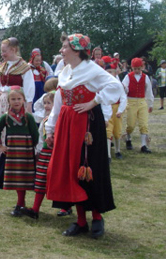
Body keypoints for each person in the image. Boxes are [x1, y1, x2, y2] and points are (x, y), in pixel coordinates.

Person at [45, 34, 123, 239]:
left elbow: (116, 86)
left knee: (89, 168)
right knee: (71, 169)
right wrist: (50, 128)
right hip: (66, 124)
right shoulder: (64, 71)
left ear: (77, 50)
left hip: (87, 125)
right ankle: (80, 220)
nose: (61, 51)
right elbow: (59, 102)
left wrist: (93, 102)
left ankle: (97, 217)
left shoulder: (92, 69)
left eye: (64, 47)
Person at [0, 87, 39, 217]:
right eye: (13, 99)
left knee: (24, 178)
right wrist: (0, 146)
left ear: (24, 100)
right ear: (8, 101)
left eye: (19, 99)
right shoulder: (6, 117)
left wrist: (34, 149)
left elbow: (35, 134)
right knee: (17, 178)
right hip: (12, 153)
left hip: (26, 153)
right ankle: (20, 203)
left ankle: (22, 203)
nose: (16, 101)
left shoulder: (29, 117)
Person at [0, 38, 35, 166]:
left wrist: (28, 105)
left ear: (13, 50)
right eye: (2, 51)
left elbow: (29, 86)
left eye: (5, 51)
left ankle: (16, 159)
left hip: (17, 102)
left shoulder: (24, 67)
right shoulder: (2, 66)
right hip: (2, 102)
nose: (2, 54)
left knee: (15, 130)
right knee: (0, 129)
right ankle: (1, 159)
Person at [27, 90, 57, 219]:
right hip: (45, 153)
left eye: (49, 103)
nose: (46, 106)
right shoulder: (45, 119)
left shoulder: (60, 119)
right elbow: (40, 137)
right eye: (45, 103)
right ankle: (35, 208)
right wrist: (38, 151)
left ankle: (65, 207)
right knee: (40, 180)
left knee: (58, 179)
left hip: (56, 153)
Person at [122, 58, 154, 153]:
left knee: (143, 124)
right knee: (131, 124)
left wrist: (150, 104)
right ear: (131, 68)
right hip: (131, 102)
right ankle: (128, 138)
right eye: (135, 68)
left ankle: (143, 145)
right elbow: (123, 88)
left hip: (142, 102)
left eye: (138, 68)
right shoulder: (128, 77)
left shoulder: (145, 77)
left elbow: (149, 91)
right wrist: (126, 90)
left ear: (142, 67)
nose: (136, 70)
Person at [105, 65, 127, 160]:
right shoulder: (102, 84)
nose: (109, 74)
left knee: (117, 130)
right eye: (108, 72)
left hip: (117, 108)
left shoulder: (118, 84)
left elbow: (123, 98)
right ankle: (108, 155)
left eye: (111, 72)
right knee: (108, 131)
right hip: (107, 107)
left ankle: (118, 150)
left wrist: (120, 110)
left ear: (115, 73)